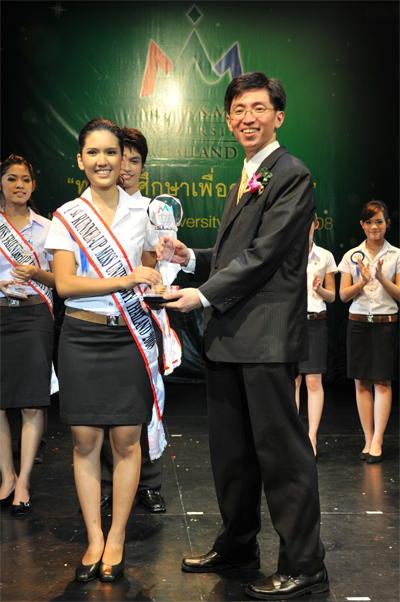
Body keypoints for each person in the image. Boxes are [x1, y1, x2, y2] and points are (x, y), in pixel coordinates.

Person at [158, 72, 328, 600]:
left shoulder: (290, 173)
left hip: (265, 338)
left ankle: (305, 563)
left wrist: (202, 295)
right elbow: (238, 257)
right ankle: (237, 545)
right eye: (238, 109)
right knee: (231, 453)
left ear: (278, 115)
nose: (247, 117)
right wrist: (193, 259)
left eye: (258, 107)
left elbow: (268, 255)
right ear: (228, 119)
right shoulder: (247, 173)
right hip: (229, 337)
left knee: (281, 455)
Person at [45, 118, 166, 583]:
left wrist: (158, 267)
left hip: (129, 339)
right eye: (92, 153)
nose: (102, 161)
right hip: (81, 336)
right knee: (84, 443)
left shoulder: (148, 214)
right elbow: (67, 286)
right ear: (80, 160)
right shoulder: (66, 216)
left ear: (123, 160)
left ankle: (116, 538)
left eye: (111, 153)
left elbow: (154, 275)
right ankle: (93, 537)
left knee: (126, 442)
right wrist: (125, 277)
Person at [98, 127, 171, 515]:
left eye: (134, 160)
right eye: (120, 157)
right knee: (106, 408)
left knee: (145, 402)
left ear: (143, 166)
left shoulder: (153, 211)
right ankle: (110, 483)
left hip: (140, 317)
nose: (125, 167)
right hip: (99, 317)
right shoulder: (91, 212)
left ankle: (149, 483)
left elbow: (166, 265)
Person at [0, 154, 55, 515]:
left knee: (33, 400)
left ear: (33, 185)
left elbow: (61, 281)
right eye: (11, 179)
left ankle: (24, 480)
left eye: (25, 179)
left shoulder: (48, 228)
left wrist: (36, 273)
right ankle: (6, 475)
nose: (19, 185)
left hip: (36, 316)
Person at [338, 200, 399, 463]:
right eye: (369, 222)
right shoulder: (351, 255)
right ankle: (367, 438)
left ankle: (378, 440)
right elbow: (342, 295)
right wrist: (363, 280)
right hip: (359, 323)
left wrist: (380, 277)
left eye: (379, 221)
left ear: (387, 224)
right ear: (362, 225)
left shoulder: (396, 255)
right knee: (361, 382)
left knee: (382, 382)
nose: (374, 227)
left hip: (386, 324)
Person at [295, 214, 337, 457]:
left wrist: (319, 288)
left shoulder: (325, 257)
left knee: (313, 381)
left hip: (315, 321)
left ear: (316, 224)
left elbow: (332, 296)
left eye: (308, 222)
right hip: (292, 323)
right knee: (294, 380)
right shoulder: (288, 253)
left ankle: (311, 439)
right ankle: (294, 437)